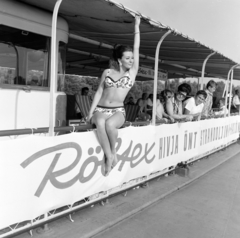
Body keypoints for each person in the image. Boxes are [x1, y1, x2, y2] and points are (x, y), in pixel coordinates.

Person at [86, 15, 141, 176]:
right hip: (101, 108)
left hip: (118, 110)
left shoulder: (132, 73)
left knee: (110, 125)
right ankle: (109, 156)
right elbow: (99, 92)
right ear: (119, 59)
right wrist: (90, 112)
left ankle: (113, 152)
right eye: (128, 58)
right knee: (101, 121)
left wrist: (136, 26)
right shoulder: (107, 72)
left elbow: (137, 48)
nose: (131, 60)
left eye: (132, 58)